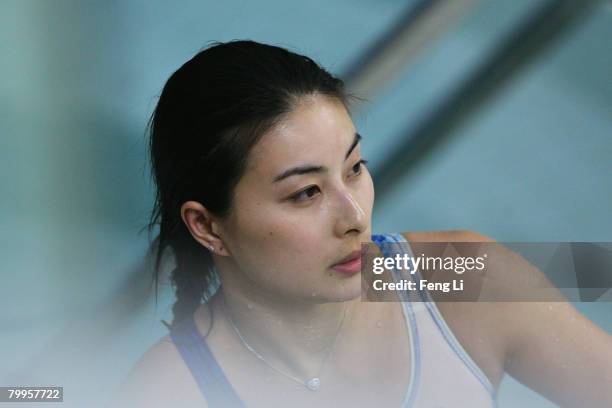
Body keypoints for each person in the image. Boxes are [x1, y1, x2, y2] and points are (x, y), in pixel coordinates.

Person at [115, 40, 612, 407]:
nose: (354, 217)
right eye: (305, 193)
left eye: (354, 169)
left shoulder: (464, 279)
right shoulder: (168, 392)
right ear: (207, 227)